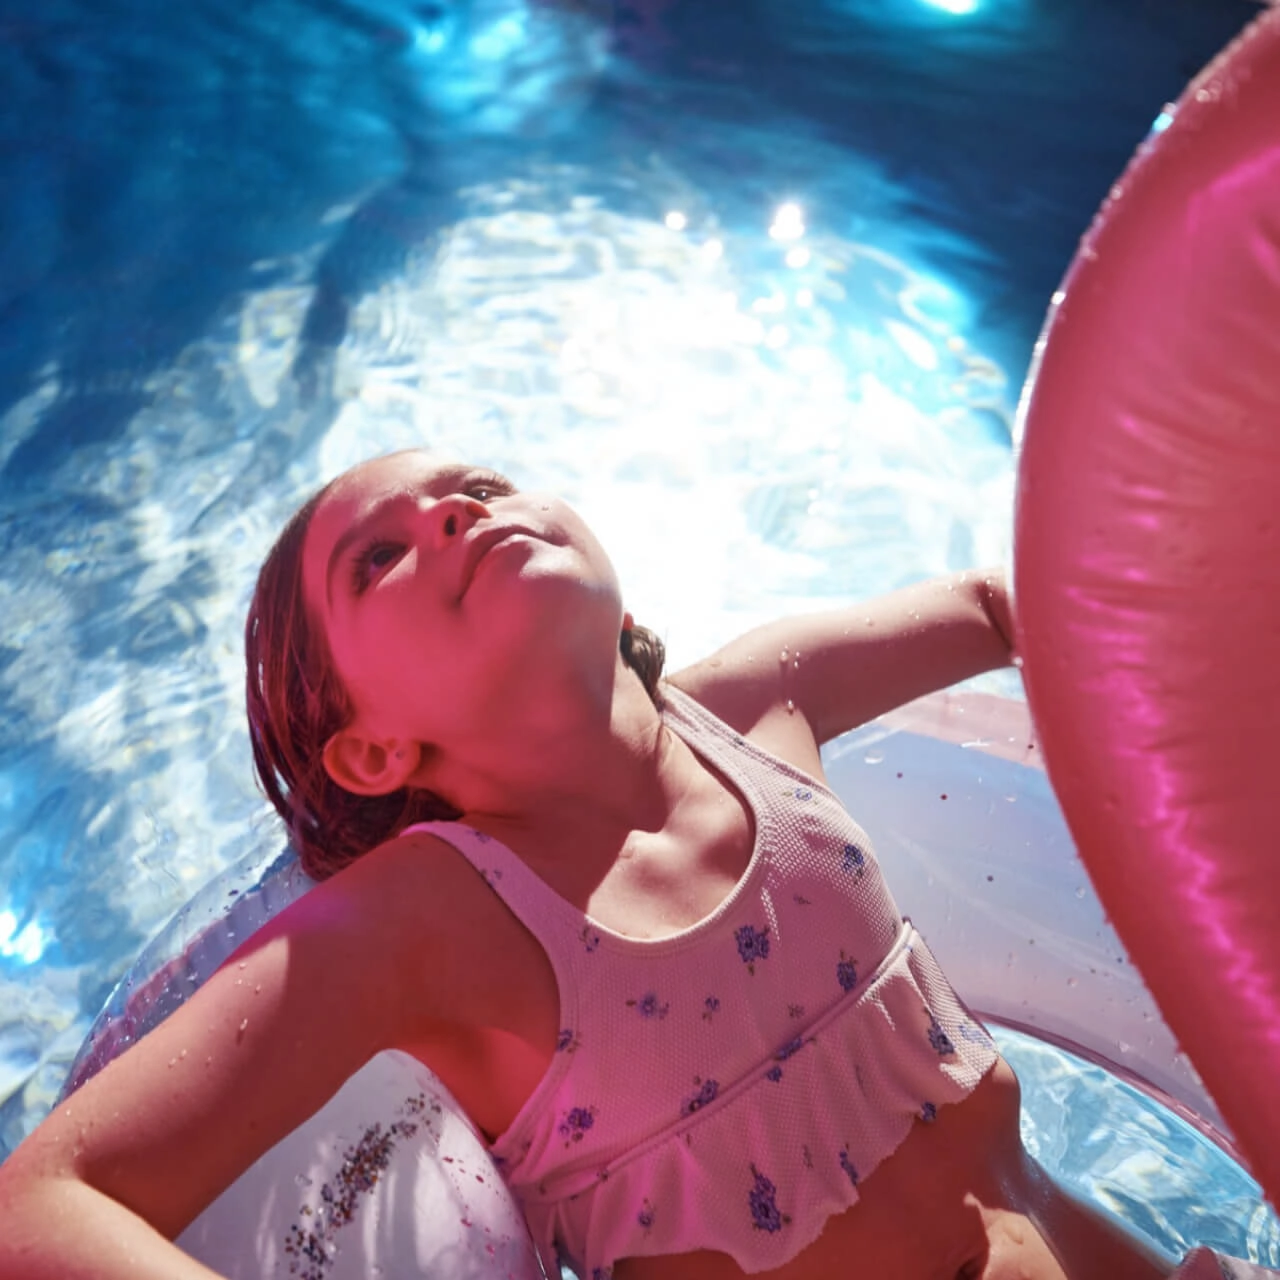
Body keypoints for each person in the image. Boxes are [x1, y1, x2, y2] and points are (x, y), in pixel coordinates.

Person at [0, 450, 1264, 1279]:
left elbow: (1013, 610)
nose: (452, 512)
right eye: (377, 556)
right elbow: (43, 1198)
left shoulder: (763, 706)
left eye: (476, 481)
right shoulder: (429, 918)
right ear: (374, 749)